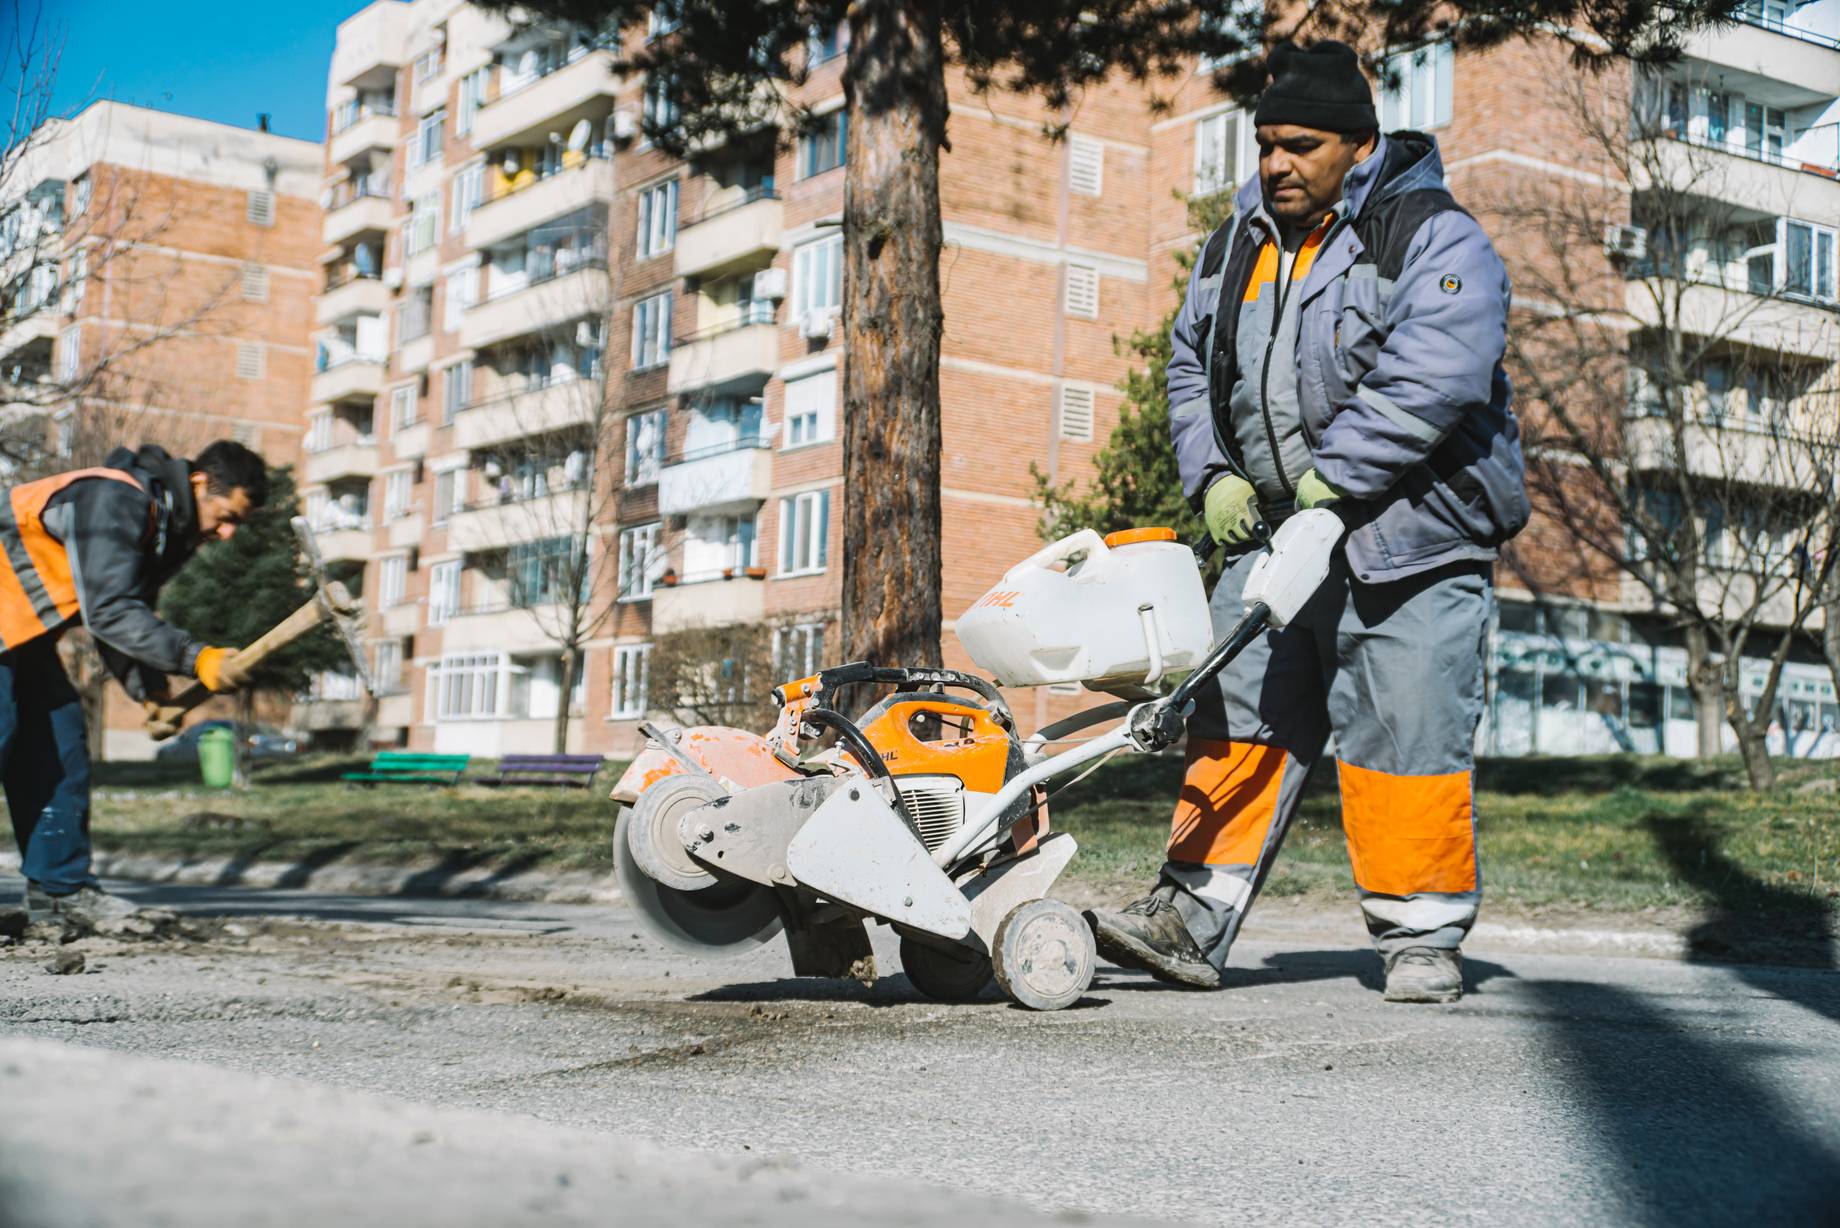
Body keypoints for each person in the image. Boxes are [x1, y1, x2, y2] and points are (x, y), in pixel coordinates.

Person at [1085, 41, 1529, 1004]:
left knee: (1404, 732)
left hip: (1414, 534)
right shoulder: (1236, 245)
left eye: (1300, 146)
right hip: (1273, 538)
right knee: (1233, 723)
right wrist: (1211, 476)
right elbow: (1188, 366)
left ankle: (1419, 940)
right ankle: (1190, 918)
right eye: (1266, 146)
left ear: (1359, 147)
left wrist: (1337, 483)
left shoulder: (1431, 235)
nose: (1277, 163)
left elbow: (1440, 368)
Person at [4, 441, 263, 925]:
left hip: (20, 632)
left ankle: (59, 892)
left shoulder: (164, 530)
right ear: (201, 483)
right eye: (228, 515)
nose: (228, 532)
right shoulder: (114, 498)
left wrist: (151, 692)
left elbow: (123, 617)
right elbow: (109, 612)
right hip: (11, 625)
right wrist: (196, 657)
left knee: (59, 748)